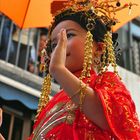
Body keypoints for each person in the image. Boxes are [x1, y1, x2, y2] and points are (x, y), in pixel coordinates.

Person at [28, 0, 140, 139]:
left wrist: (59, 70)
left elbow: (110, 119)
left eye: (68, 36)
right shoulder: (52, 102)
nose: (59, 48)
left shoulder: (106, 82)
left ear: (98, 48)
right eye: (54, 44)